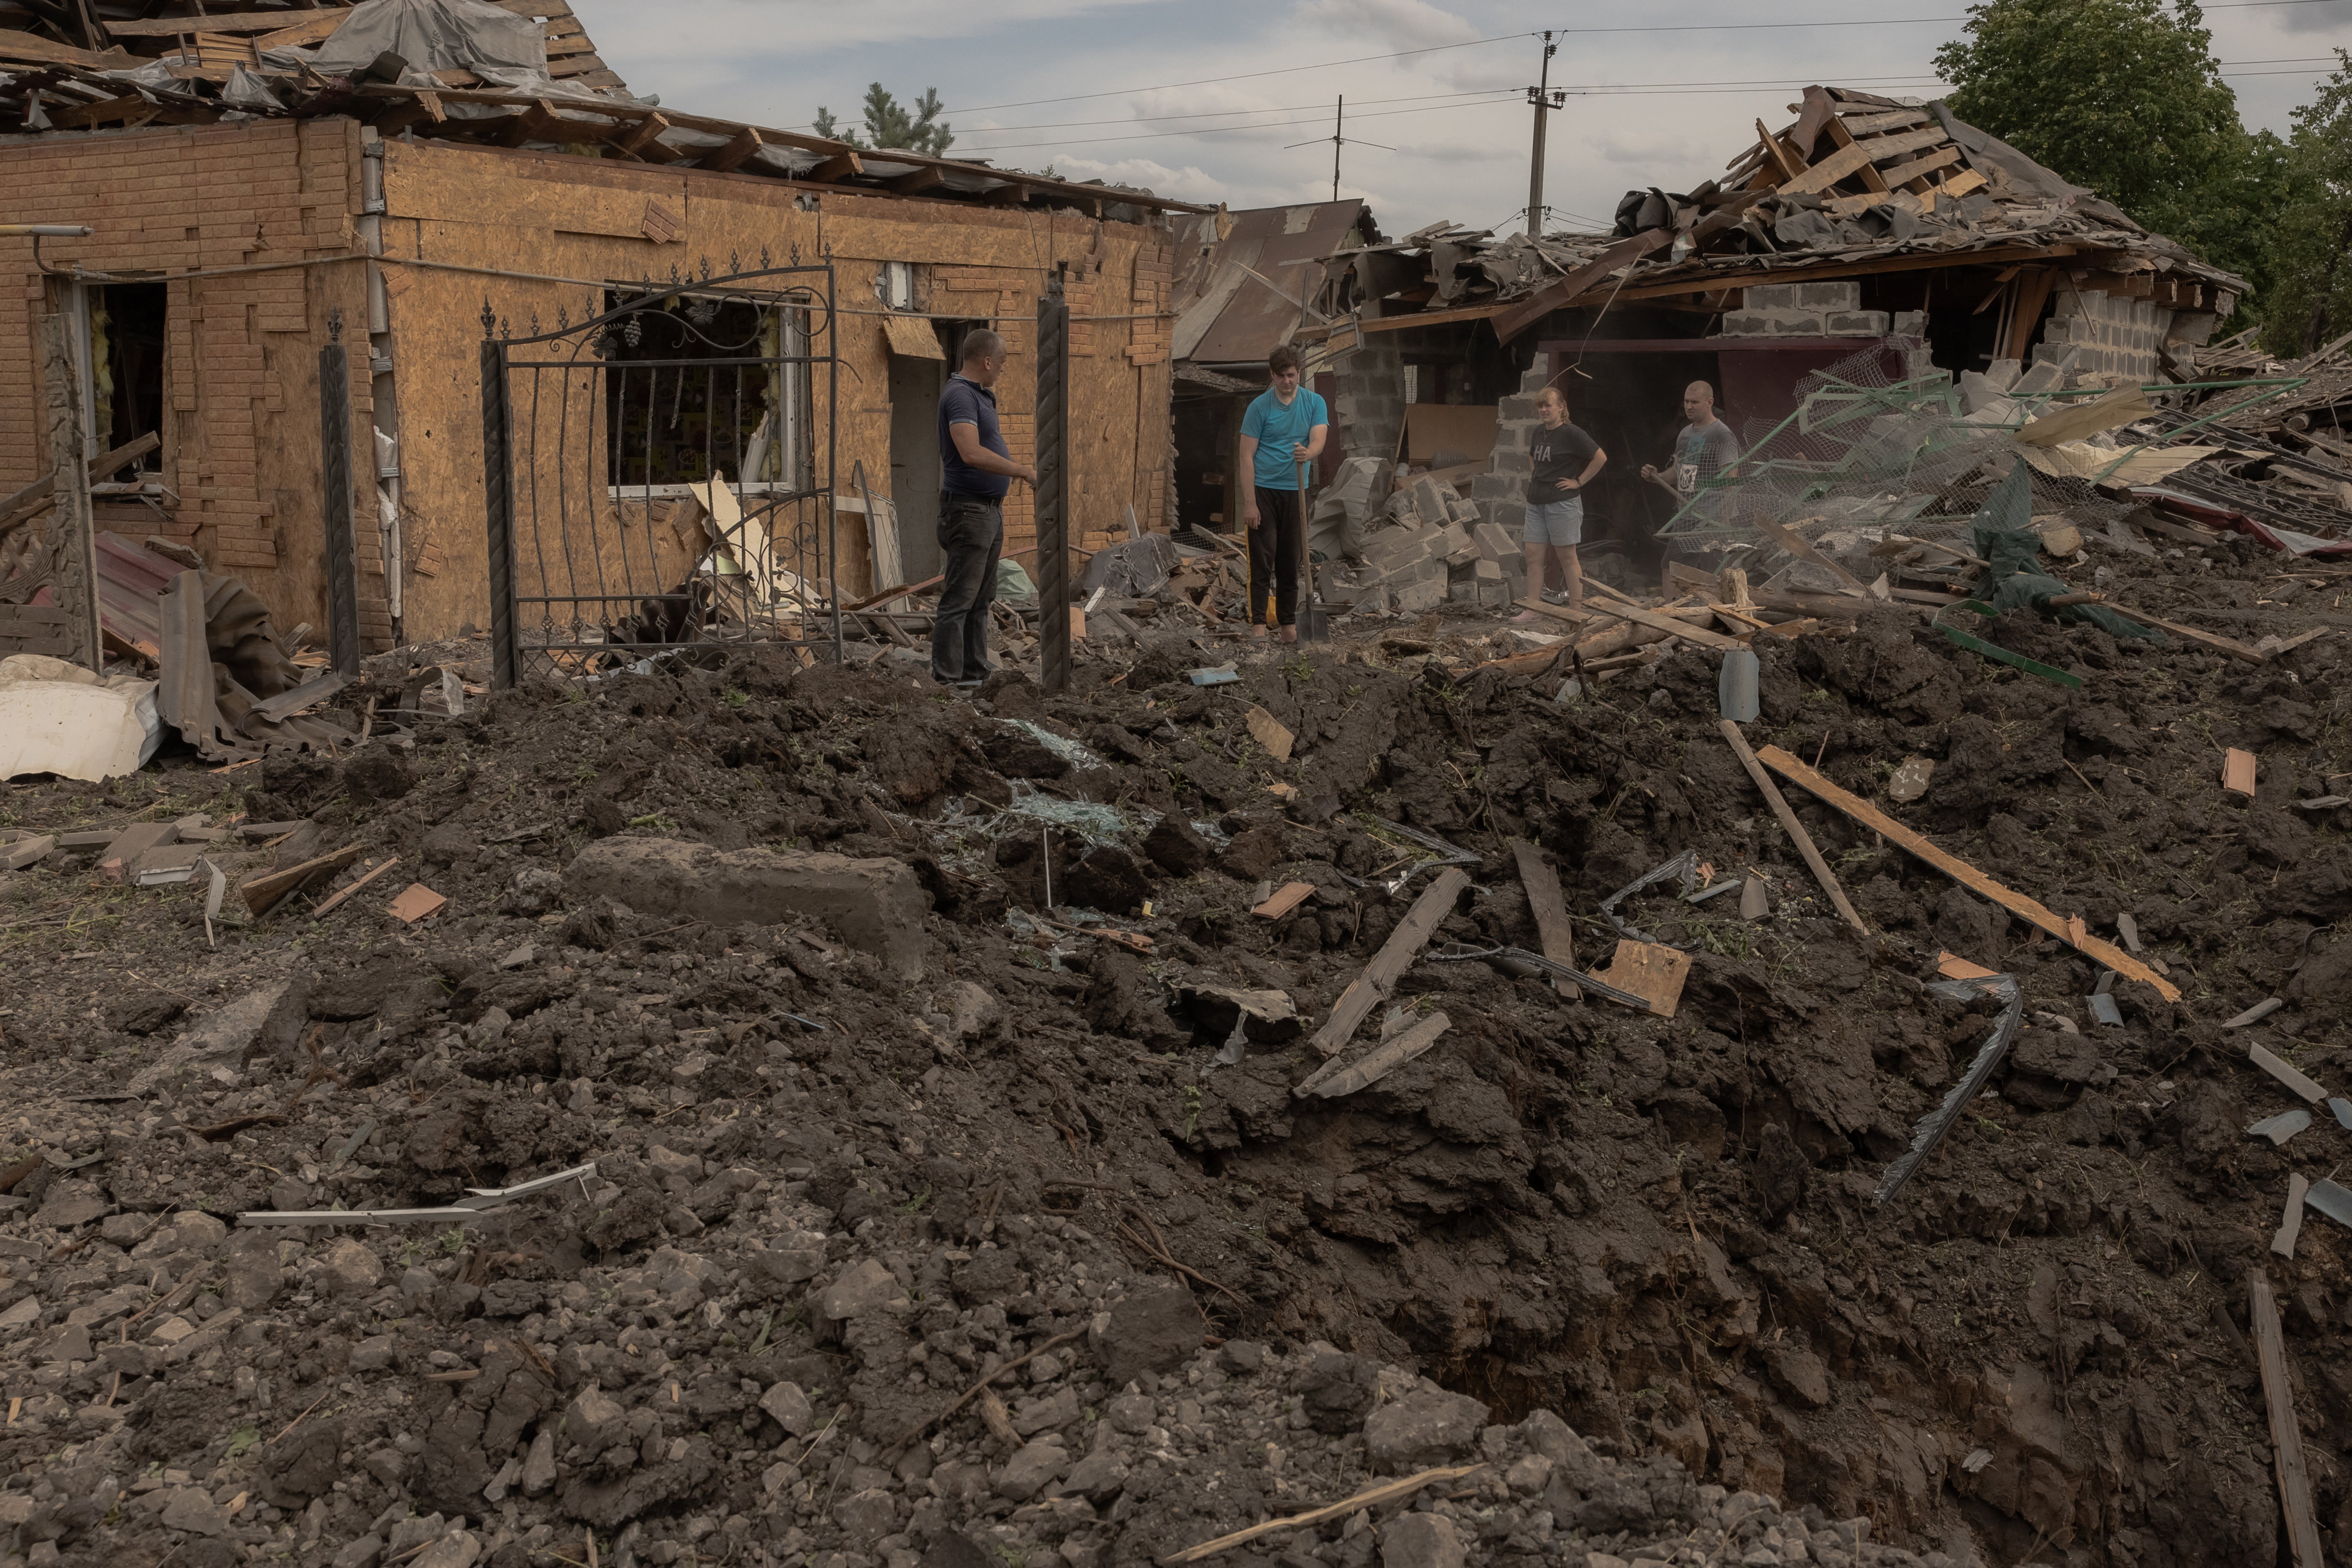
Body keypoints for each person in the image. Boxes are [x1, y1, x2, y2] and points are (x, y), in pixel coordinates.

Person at [933, 328, 1035, 688]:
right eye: (1003, 362)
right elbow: (971, 453)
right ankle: (946, 681)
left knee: (981, 598)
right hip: (968, 511)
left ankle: (974, 674)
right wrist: (1022, 470)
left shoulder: (980, 396)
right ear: (988, 360)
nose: (1003, 370)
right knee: (959, 599)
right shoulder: (961, 396)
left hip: (987, 511)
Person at [1237, 345, 1327, 643]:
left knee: (1291, 561)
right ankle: (1259, 627)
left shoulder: (1314, 403)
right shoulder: (1259, 408)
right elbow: (1246, 456)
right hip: (1264, 491)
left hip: (1296, 491)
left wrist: (1308, 453)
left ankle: (1290, 626)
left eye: (1291, 375)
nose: (1287, 381)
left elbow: (1318, 439)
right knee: (1262, 562)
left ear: (1299, 372)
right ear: (1272, 376)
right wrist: (1250, 503)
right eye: (1281, 377)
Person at [1512, 385, 1606, 622]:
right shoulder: (1538, 432)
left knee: (1567, 557)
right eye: (1541, 407)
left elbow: (1600, 457)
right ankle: (1533, 610)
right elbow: (1533, 455)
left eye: (1548, 406)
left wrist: (1579, 481)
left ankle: (1577, 613)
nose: (1544, 410)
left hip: (1562, 504)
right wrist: (1538, 478)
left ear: (1561, 408)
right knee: (1533, 556)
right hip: (1536, 502)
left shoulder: (1572, 433)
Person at [1640, 380, 1740, 585]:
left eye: (1695, 402)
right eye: (1686, 402)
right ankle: (1670, 613)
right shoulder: (1685, 434)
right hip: (1687, 513)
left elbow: (1731, 478)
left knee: (1716, 571)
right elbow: (1680, 473)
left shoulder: (1721, 434)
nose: (1689, 407)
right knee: (1670, 566)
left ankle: (1721, 614)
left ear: (1710, 402)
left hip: (1712, 515)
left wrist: (1726, 520)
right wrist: (1656, 476)